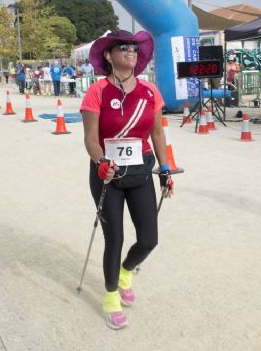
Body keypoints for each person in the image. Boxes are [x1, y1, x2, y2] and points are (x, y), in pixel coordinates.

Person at [80, 29, 173, 330]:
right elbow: (91, 140)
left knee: (149, 239)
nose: (131, 52)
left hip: (140, 171)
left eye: (135, 48)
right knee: (115, 238)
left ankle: (125, 272)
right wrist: (101, 162)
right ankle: (110, 296)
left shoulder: (150, 91)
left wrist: (166, 168)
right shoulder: (97, 92)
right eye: (124, 47)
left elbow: (157, 133)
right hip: (107, 174)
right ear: (108, 55)